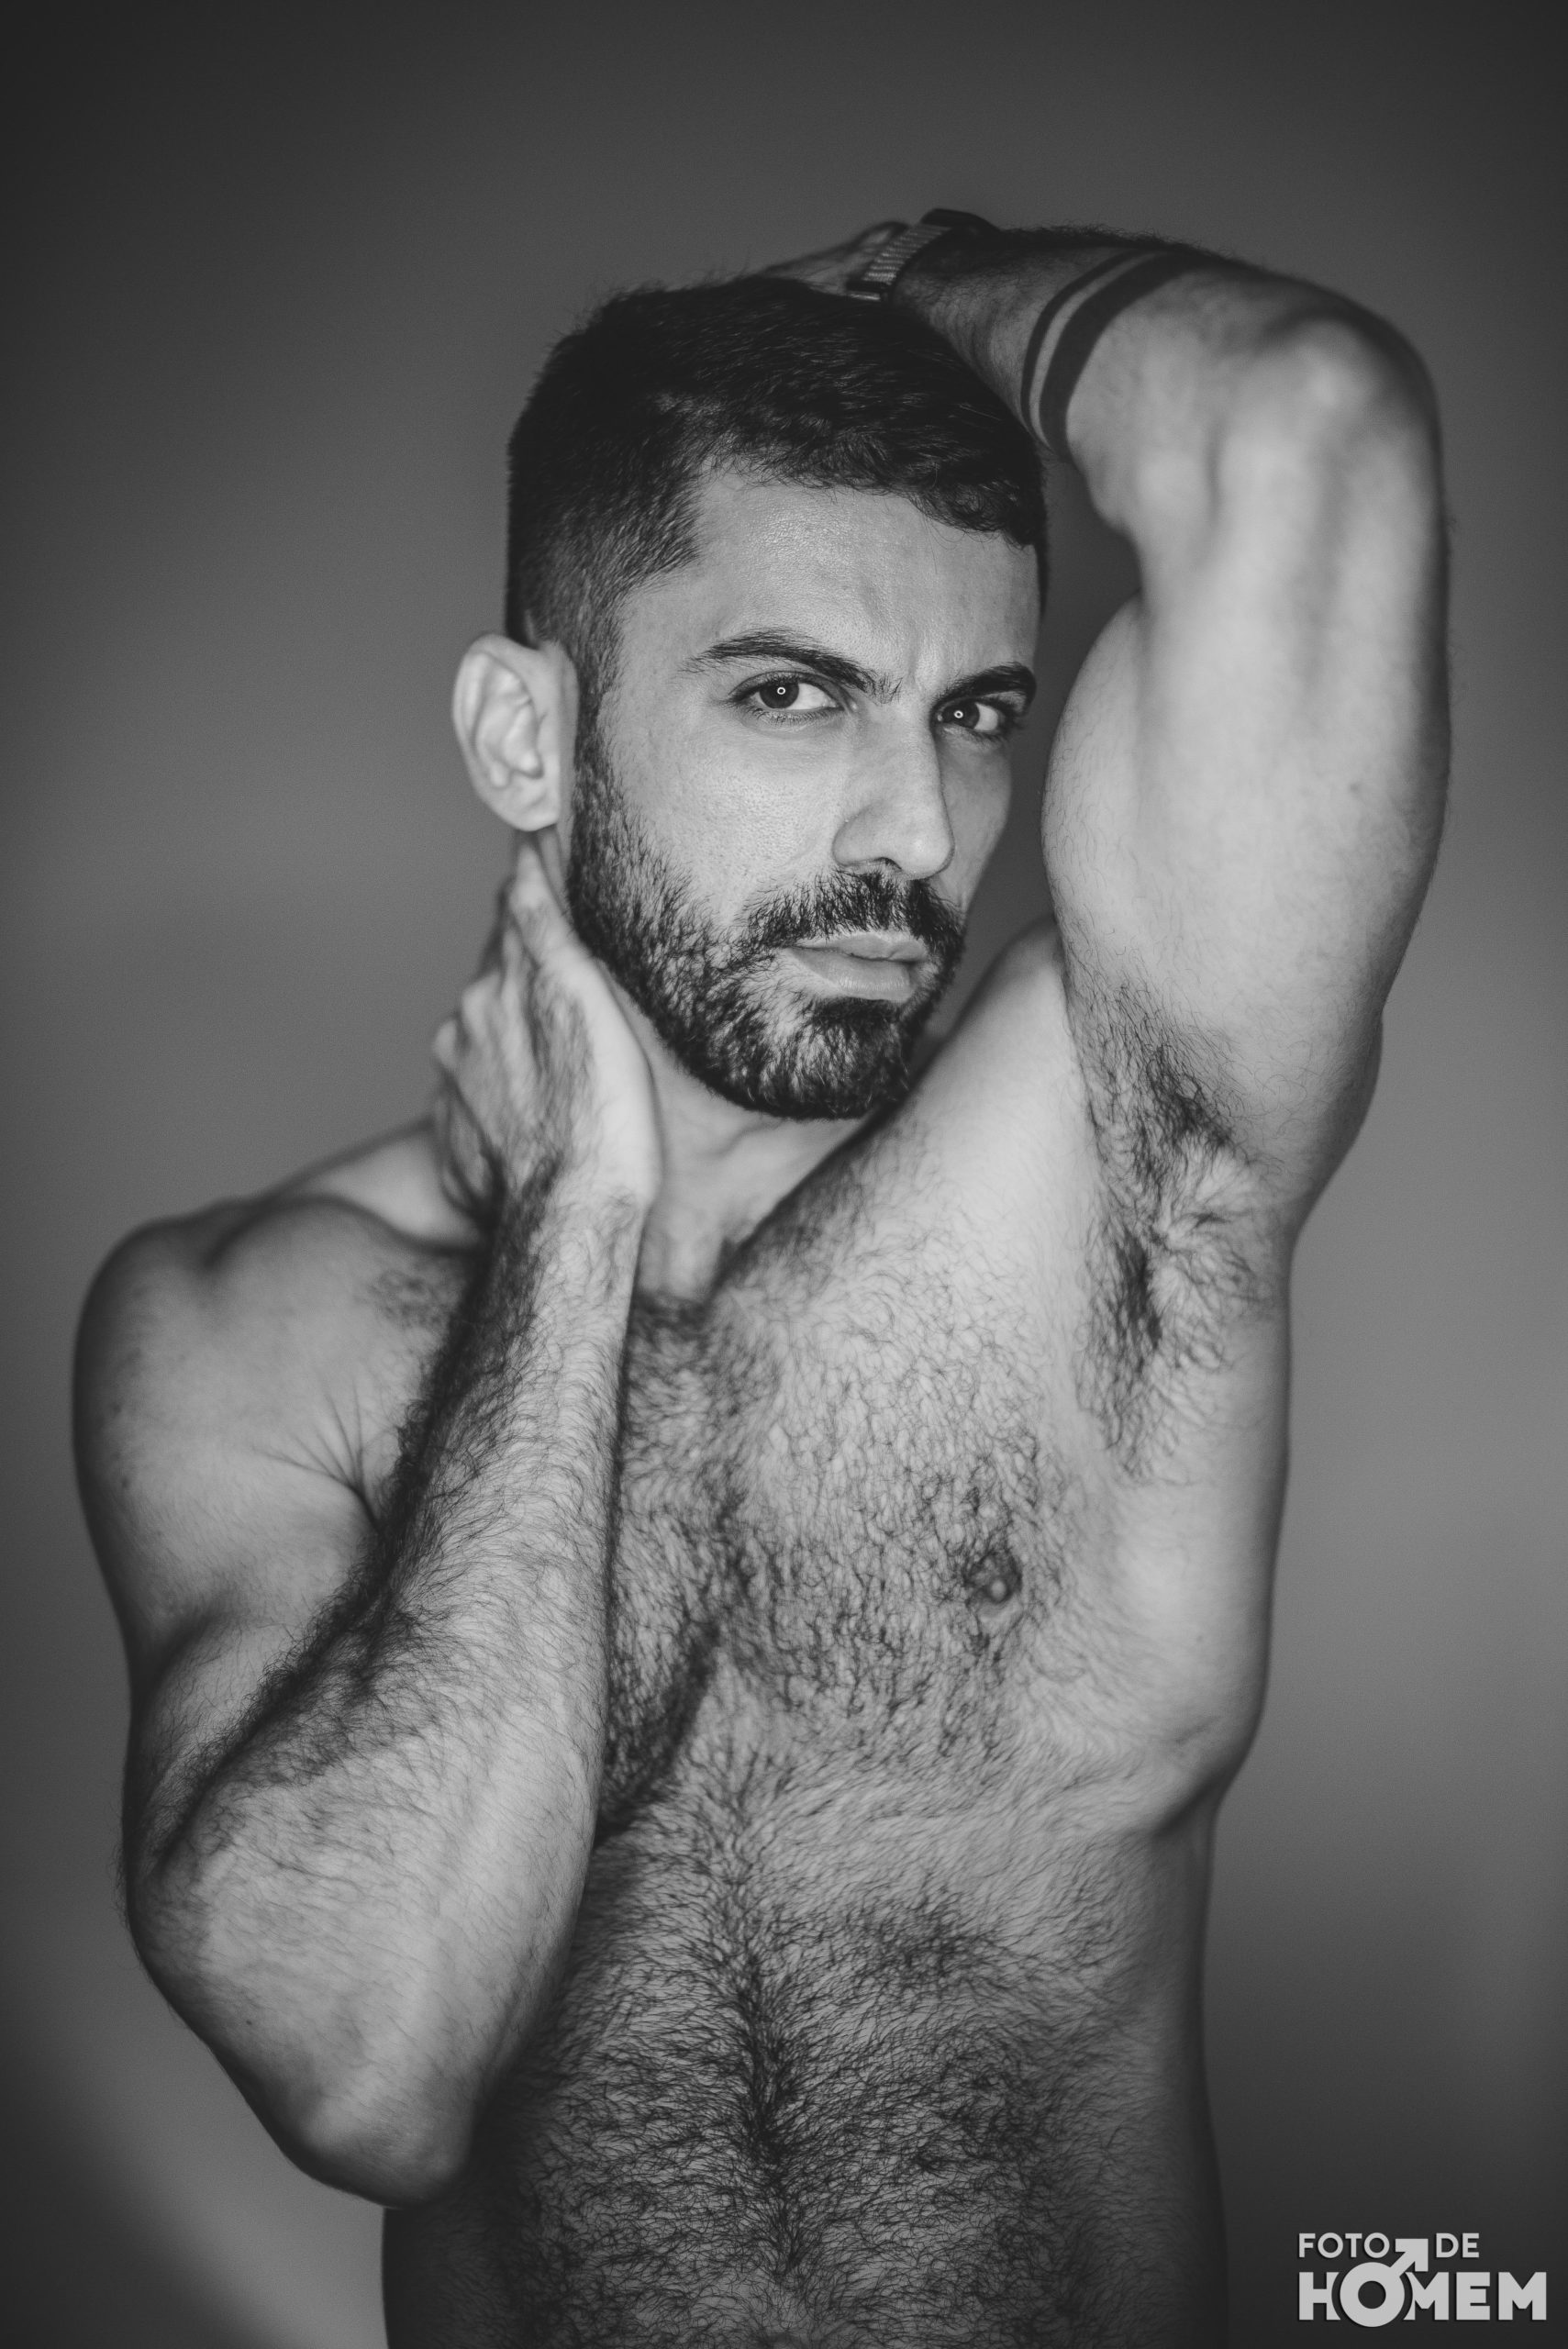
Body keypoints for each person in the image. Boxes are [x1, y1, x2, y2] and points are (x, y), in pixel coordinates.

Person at [72, 213, 1447, 2345]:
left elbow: (1310, 421)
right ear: (527, 738)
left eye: (977, 711)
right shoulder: (250, 1323)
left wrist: (930, 278)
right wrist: (577, 1221)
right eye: (792, 693)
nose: (919, 828)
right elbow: (366, 2062)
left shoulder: (1112, 1154)